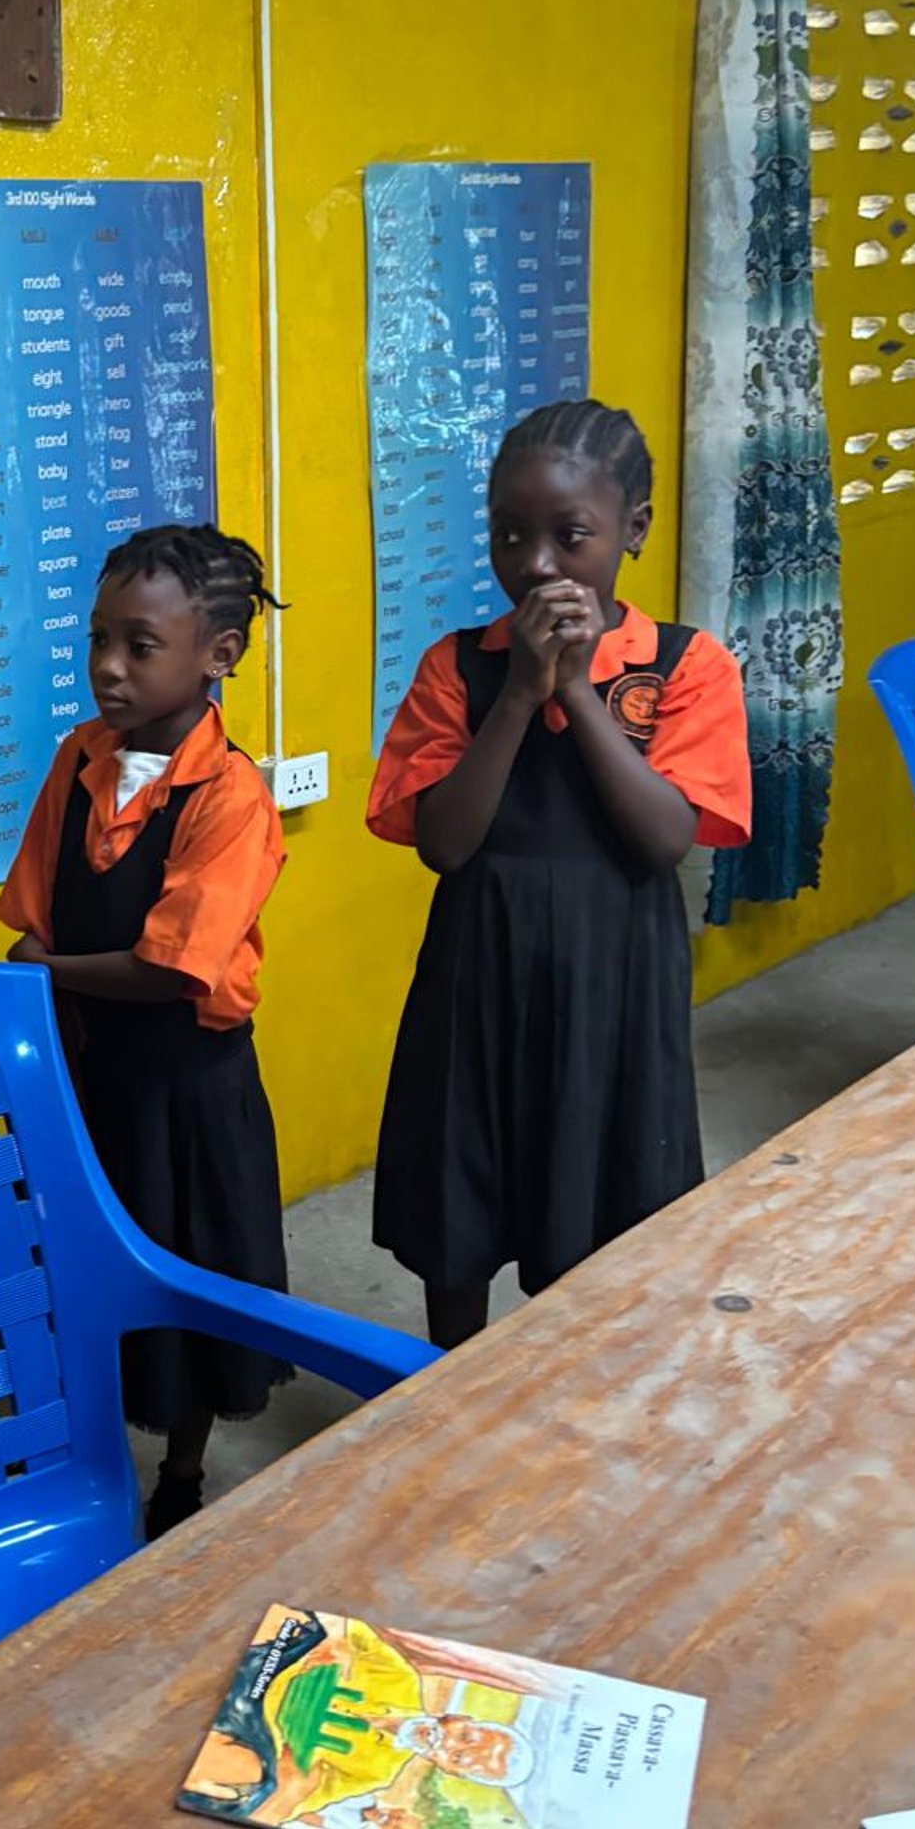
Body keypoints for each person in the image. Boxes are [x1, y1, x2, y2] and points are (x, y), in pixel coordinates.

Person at [367, 398, 750, 1351]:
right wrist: (520, 697)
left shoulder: (686, 666)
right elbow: (446, 842)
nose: (536, 563)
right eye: (509, 533)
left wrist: (575, 687)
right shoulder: (458, 667)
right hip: (478, 972)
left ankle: (578, 1395)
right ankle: (446, 1391)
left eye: (570, 535)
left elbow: (664, 840)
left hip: (613, 975)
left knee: (605, 1199)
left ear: (635, 530)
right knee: (462, 1190)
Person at [0, 523, 290, 1541]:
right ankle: (85, 1462)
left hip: (186, 1092)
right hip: (88, 1080)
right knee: (78, 1273)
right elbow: (36, 906)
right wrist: (41, 972)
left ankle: (182, 1468)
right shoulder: (80, 760)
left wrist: (48, 973)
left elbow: (172, 968)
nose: (108, 669)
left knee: (187, 1277)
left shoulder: (232, 797)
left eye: (139, 645)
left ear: (219, 654)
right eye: (97, 640)